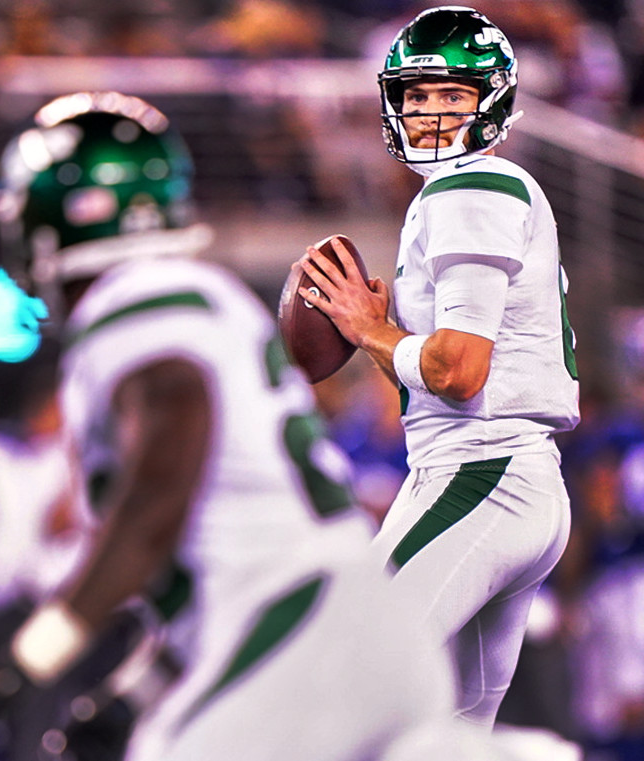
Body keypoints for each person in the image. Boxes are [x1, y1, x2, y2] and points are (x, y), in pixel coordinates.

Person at [0, 90, 486, 761]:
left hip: (298, 641)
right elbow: (223, 553)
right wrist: (132, 693)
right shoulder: (199, 299)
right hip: (346, 632)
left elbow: (158, 498)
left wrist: (24, 662)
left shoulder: (139, 298)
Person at [296, 6, 580, 729]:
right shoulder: (477, 192)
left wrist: (375, 329)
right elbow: (446, 385)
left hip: (480, 476)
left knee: (339, 679)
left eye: (451, 95)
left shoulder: (468, 190)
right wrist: (383, 341)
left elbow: (459, 372)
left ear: (492, 100)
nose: (429, 113)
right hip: (505, 474)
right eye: (417, 96)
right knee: (445, 733)